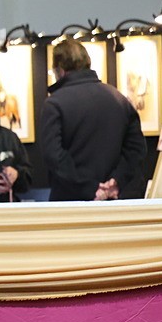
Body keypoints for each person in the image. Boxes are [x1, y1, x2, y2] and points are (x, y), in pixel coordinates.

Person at [39, 39, 145, 201]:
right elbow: (136, 148)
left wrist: (90, 189)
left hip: (70, 203)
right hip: (115, 201)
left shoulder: (54, 104)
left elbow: (54, 157)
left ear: (59, 69)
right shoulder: (118, 98)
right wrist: (116, 181)